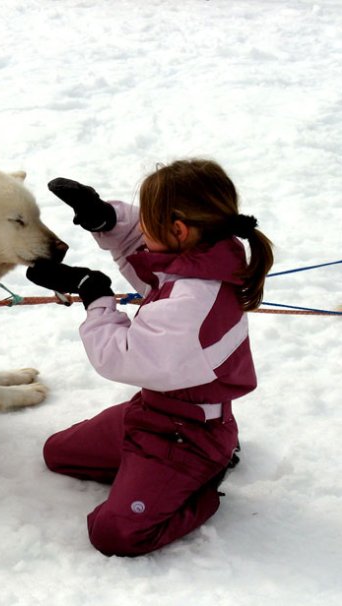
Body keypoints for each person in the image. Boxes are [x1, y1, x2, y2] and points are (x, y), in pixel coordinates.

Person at [26, 158, 274, 557]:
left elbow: (122, 356)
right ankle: (150, 474)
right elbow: (150, 258)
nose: (140, 230)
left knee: (115, 534)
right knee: (57, 453)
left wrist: (95, 295)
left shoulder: (193, 300)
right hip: (151, 413)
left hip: (188, 436)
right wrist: (105, 220)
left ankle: (205, 478)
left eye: (148, 222)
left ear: (178, 230)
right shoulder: (201, 254)